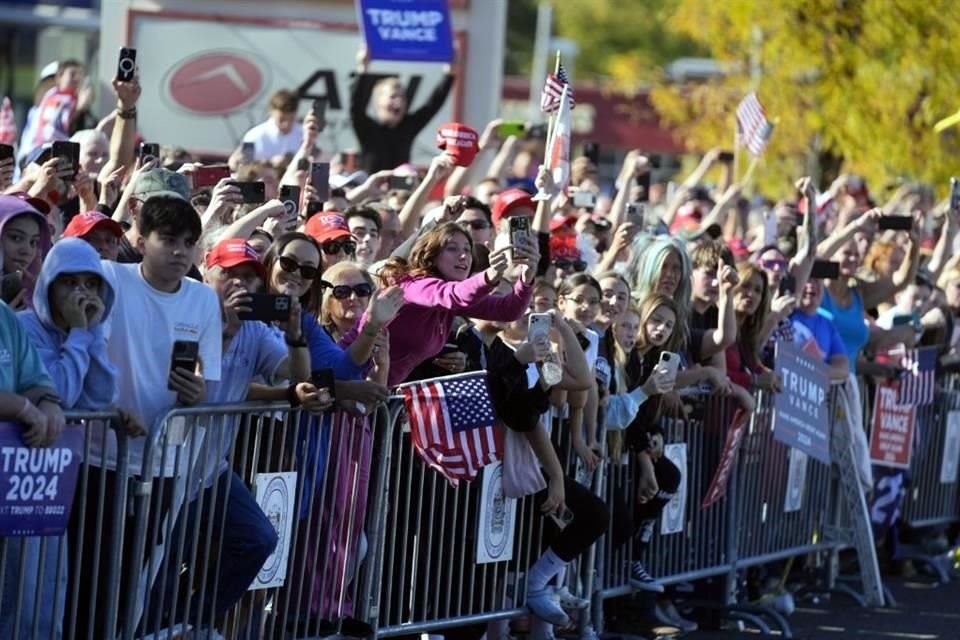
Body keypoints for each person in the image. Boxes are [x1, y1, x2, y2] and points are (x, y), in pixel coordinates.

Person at [377, 221, 537, 385]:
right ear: (431, 255)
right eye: (452, 248)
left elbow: (509, 311)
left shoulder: (454, 294)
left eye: (467, 249)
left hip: (383, 389)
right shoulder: (415, 284)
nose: (463, 256)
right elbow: (453, 294)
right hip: (359, 381)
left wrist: (527, 277)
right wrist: (489, 275)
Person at [0, 290, 67, 640]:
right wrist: (18, 407)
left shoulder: (3, 315)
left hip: (10, 483)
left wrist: (49, 402)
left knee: (21, 596)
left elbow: (36, 379)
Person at [350, 47, 455, 172]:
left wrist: (449, 74)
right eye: (393, 96)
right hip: (372, 189)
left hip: (401, 190)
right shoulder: (367, 128)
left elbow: (432, 105)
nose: (398, 101)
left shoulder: (408, 126)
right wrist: (363, 67)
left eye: (402, 97)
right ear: (378, 101)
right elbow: (356, 106)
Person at [0, 195, 53, 310]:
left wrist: (42, 300)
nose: (27, 251)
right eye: (16, 238)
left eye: (34, 242)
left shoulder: (35, 296)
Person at [241, 89, 304, 161]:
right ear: (271, 111)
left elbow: (315, 162)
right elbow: (245, 166)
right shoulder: (252, 136)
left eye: (292, 119)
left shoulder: (305, 135)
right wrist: (270, 163)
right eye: (281, 119)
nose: (286, 124)